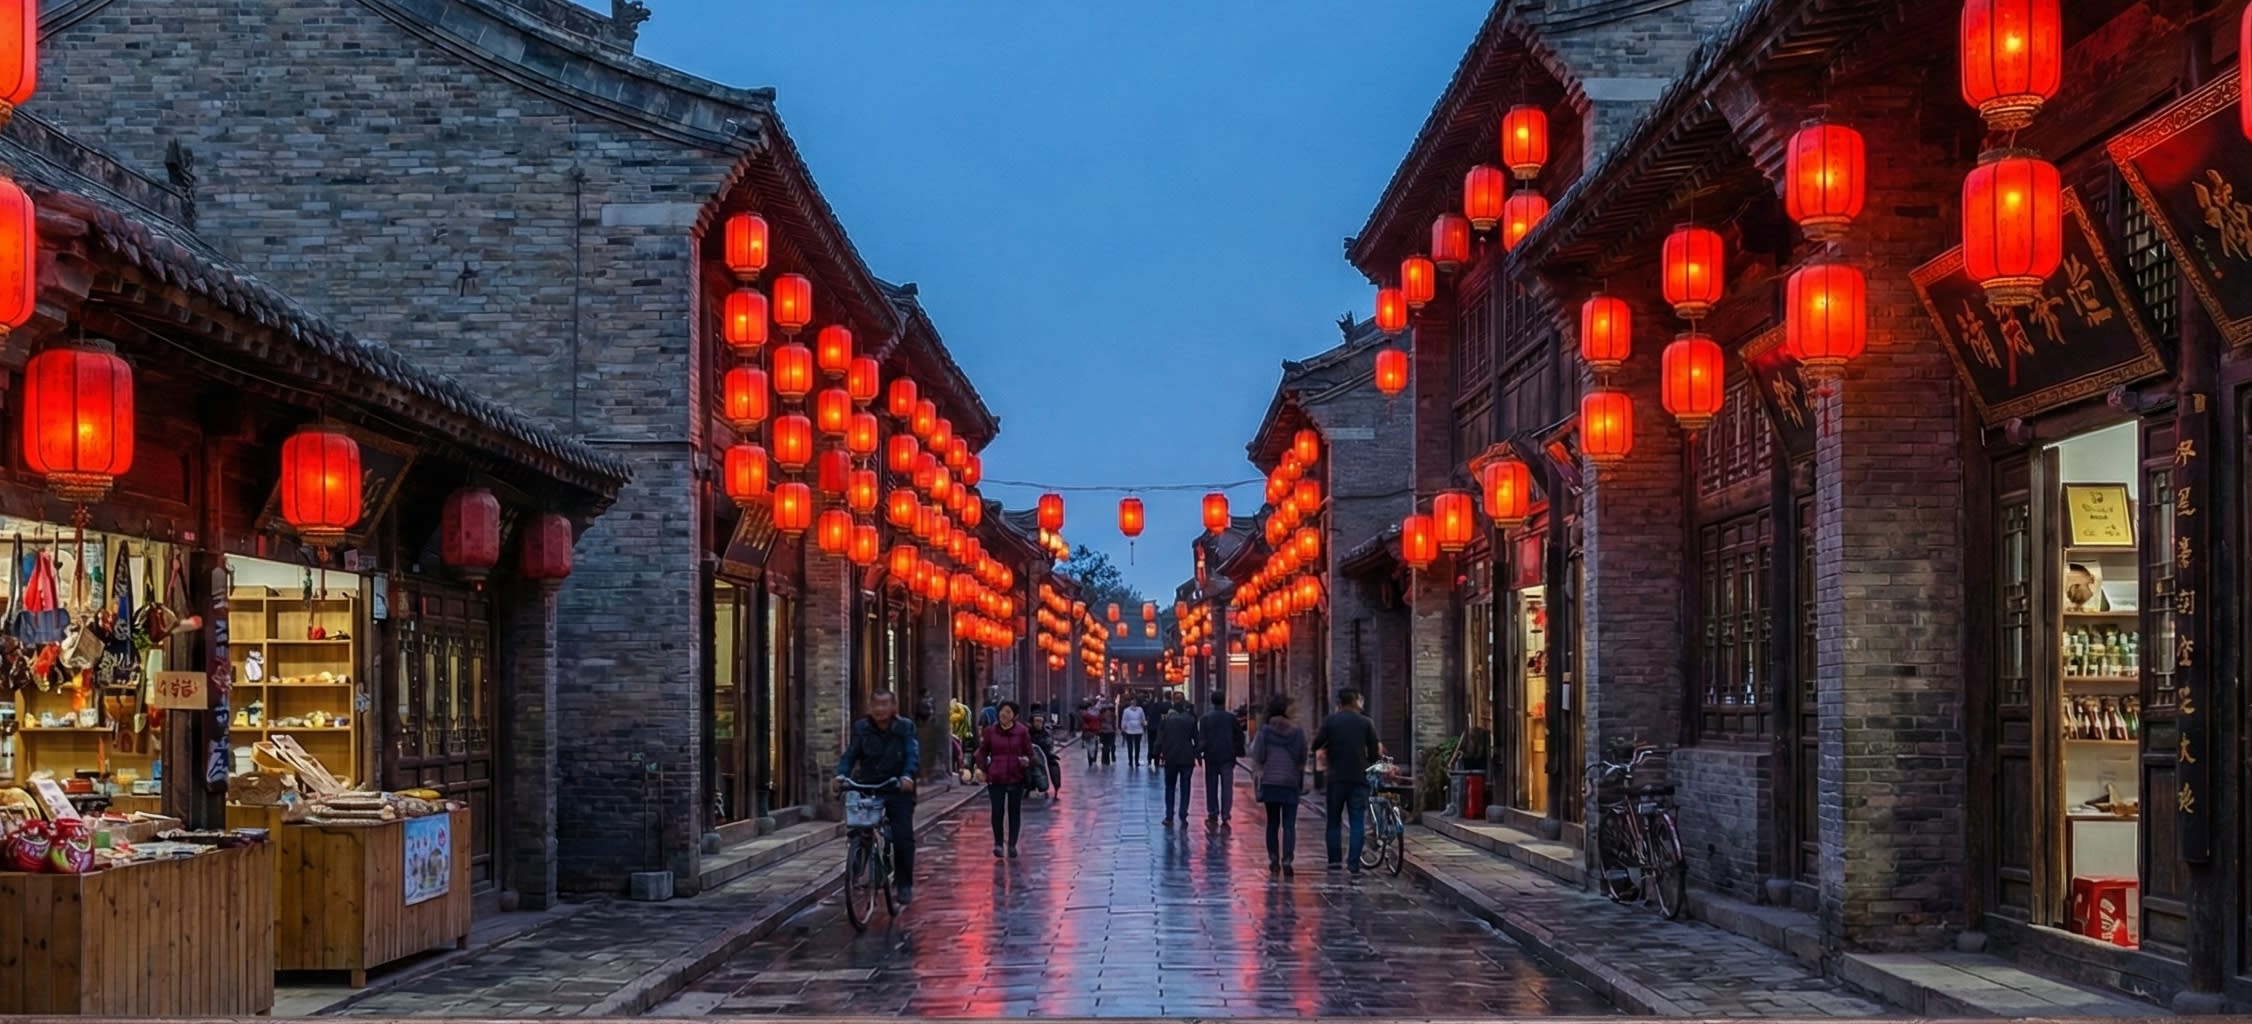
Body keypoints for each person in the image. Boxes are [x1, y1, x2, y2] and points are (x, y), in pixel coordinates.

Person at [834, 690, 920, 905]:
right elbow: (850, 754)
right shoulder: (861, 728)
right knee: (858, 828)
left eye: (884, 705)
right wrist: (841, 774)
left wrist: (907, 776)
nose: (880, 709)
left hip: (896, 786)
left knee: (902, 837)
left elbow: (912, 753)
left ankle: (904, 884)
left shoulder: (904, 727)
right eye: (876, 705)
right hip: (868, 784)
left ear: (893, 707)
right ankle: (857, 862)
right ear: (870, 708)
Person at [1312, 687, 1383, 875]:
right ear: (1356, 701)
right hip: (1359, 778)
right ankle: (1353, 864)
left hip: (1336, 778)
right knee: (1357, 821)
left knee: (1334, 820)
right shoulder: (1366, 722)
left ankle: (1334, 861)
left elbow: (1315, 744)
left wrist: (1330, 745)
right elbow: (1375, 753)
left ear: (1339, 703)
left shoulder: (1331, 722)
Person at [1248, 694, 1306, 876]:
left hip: (1270, 781)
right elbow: (1302, 757)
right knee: (1289, 824)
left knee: (1272, 823)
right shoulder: (1297, 733)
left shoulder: (1265, 732)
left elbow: (1258, 755)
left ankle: (1273, 858)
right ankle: (1287, 859)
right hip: (1290, 781)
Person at [975, 700, 1036, 858]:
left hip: (1016, 776)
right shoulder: (990, 731)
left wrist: (1027, 761)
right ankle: (998, 843)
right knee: (997, 811)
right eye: (1002, 711)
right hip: (996, 776)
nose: (1004, 715)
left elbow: (1030, 754)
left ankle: (1012, 844)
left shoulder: (1022, 731)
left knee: (1014, 811)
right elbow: (981, 752)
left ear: (1014, 716)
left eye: (1008, 712)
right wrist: (981, 768)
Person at [1198, 691, 1241, 831]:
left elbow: (1202, 739)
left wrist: (1198, 752)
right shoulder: (1231, 718)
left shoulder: (1205, 719)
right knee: (1227, 786)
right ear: (1224, 701)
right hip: (1227, 756)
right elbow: (1238, 736)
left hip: (1211, 756)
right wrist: (1237, 751)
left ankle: (1212, 811)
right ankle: (1226, 813)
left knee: (1211, 785)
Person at [1156, 699, 1200, 827]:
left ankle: (1169, 815)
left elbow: (1160, 739)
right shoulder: (1191, 720)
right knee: (1185, 786)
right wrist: (1198, 755)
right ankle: (1183, 813)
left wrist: (1157, 754)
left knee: (1170, 786)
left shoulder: (1166, 721)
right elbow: (1196, 739)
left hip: (1171, 757)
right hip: (1187, 756)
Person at [1028, 709, 1061, 798]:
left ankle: (1056, 787)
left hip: (1044, 754)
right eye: (1036, 721)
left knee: (1054, 764)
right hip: (1030, 756)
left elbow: (1048, 743)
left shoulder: (1046, 733)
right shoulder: (1026, 732)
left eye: (1040, 721)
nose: (1038, 723)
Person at [1120, 699, 1148, 768]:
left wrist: (1123, 727)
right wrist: (1123, 727)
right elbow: (1124, 719)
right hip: (1133, 730)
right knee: (1134, 746)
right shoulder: (1129, 710)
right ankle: (1133, 761)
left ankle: (1133, 761)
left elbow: (1143, 718)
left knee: (1134, 746)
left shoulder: (1130, 710)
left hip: (1135, 730)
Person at [1079, 701, 1103, 766]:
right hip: (1095, 731)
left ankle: (1091, 757)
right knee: (1094, 744)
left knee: (1089, 745)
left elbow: (1082, 722)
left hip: (1088, 731)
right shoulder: (1097, 712)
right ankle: (1093, 757)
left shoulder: (1085, 714)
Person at [1098, 701, 1118, 765]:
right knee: (1110, 745)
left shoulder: (1100, 715)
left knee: (1104, 745)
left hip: (1103, 731)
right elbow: (1113, 723)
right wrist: (1115, 729)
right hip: (1110, 731)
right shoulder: (1112, 714)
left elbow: (1099, 723)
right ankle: (1109, 758)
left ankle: (1104, 759)